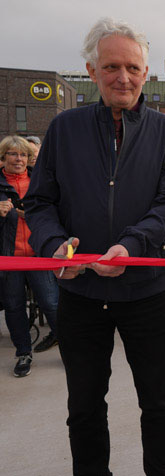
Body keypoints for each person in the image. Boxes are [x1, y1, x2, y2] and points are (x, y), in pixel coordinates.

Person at [24, 17, 165, 475]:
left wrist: (132, 245)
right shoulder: (63, 129)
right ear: (92, 71)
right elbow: (38, 202)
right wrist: (55, 244)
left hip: (147, 291)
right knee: (84, 406)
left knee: (158, 402)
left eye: (133, 67)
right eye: (112, 66)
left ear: (145, 71)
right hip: (81, 295)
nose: (124, 77)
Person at [0, 136, 59, 377]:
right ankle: (23, 353)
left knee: (52, 304)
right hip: (9, 258)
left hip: (38, 255)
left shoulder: (39, 182)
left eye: (23, 154)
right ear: (3, 158)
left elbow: (57, 210)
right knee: (14, 308)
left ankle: (70, 349)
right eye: (13, 154)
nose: (19, 159)